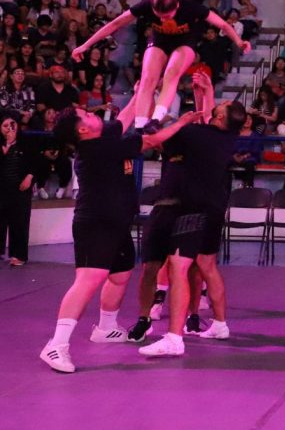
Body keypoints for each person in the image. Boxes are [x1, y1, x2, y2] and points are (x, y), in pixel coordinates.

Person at [70, 0, 251, 129]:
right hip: (160, 40)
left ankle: (156, 120)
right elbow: (114, 24)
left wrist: (239, 41)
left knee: (172, 74)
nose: (165, 19)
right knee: (147, 78)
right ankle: (140, 125)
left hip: (185, 42)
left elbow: (223, 24)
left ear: (177, 6)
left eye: (169, 15)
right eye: (160, 16)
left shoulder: (189, 5)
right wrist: (85, 45)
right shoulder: (148, 4)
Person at [132, 81, 246, 358]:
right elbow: (207, 120)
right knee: (185, 266)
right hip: (183, 205)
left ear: (220, 116)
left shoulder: (192, 133)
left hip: (190, 208)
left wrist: (149, 103)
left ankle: (176, 334)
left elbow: (154, 137)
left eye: (220, 105)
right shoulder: (224, 136)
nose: (217, 105)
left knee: (181, 267)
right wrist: (205, 93)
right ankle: (210, 324)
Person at [40, 100, 146, 372]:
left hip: (118, 220)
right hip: (96, 222)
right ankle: (56, 345)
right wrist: (174, 122)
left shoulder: (102, 135)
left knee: (120, 274)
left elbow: (123, 119)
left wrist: (139, 94)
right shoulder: (95, 148)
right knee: (88, 281)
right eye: (86, 114)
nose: (92, 113)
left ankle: (106, 327)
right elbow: (149, 139)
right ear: (82, 130)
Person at [0, 110, 34, 266]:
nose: (10, 128)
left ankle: (19, 255)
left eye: (12, 124)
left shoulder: (26, 142)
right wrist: (7, 146)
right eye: (5, 125)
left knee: (19, 222)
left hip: (20, 189)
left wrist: (30, 176)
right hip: (2, 189)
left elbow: (36, 162)